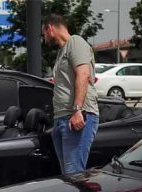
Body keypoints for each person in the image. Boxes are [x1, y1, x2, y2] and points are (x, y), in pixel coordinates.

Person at [42, 13, 99, 175]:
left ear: (50, 29)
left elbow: (83, 74)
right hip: (63, 118)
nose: (44, 38)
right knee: (68, 177)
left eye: (44, 33)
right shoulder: (62, 51)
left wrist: (77, 110)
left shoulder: (76, 42)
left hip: (76, 117)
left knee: (74, 175)